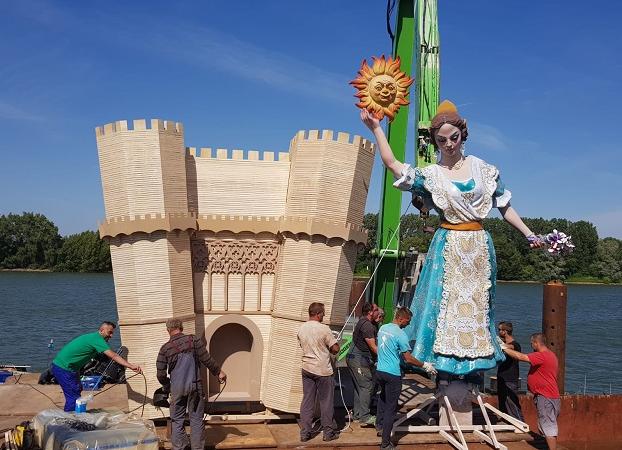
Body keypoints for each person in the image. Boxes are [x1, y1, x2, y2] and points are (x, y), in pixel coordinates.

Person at [361, 101, 543, 376]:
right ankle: (442, 364)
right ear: (434, 141)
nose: (448, 144)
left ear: (463, 135)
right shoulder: (432, 175)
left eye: (453, 138)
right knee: (444, 303)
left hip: (479, 245)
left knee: (478, 303)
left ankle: (472, 363)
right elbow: (393, 164)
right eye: (441, 139)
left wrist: (530, 234)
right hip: (448, 245)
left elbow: (504, 206)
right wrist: (376, 128)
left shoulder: (484, 170)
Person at [156, 318, 227, 450]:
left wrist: (167, 386)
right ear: (181, 328)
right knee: (196, 420)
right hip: (195, 386)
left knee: (177, 420)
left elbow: (160, 374)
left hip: (177, 388)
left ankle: (180, 447)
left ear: (168, 331)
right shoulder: (193, 340)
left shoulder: (165, 349)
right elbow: (206, 359)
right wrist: (219, 372)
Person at [376, 307, 436, 450]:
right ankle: (385, 444)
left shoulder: (383, 328)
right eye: (407, 321)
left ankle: (379, 426)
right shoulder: (401, 335)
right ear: (401, 318)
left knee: (382, 400)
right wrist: (425, 365)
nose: (408, 324)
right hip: (392, 374)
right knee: (391, 408)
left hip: (380, 371)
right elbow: (408, 359)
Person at [51, 321, 142, 412]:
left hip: (71, 368)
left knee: (77, 388)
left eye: (112, 333)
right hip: (63, 368)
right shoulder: (97, 339)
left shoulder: (93, 337)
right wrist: (131, 366)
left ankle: (76, 414)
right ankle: (69, 420)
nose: (111, 336)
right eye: (109, 332)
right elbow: (114, 356)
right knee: (73, 396)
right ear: (101, 330)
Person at [503, 333, 560, 450]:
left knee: (548, 426)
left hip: (545, 397)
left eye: (531, 344)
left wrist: (503, 348)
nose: (531, 346)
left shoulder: (542, 356)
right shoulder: (551, 355)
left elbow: (521, 357)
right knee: (547, 424)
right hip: (551, 396)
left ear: (536, 343)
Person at [297, 302, 340, 442]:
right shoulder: (324, 329)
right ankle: (328, 433)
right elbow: (335, 349)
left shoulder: (301, 328)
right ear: (318, 314)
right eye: (323, 313)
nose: (324, 315)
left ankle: (305, 432)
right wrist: (335, 342)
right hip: (322, 370)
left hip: (307, 368)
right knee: (326, 402)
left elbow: (302, 344)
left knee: (307, 400)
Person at [346, 302, 379, 427]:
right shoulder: (367, 326)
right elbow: (374, 348)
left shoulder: (363, 322)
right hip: (358, 359)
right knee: (366, 386)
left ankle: (358, 415)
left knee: (359, 387)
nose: (378, 312)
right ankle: (365, 417)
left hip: (354, 357)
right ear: (370, 312)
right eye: (376, 310)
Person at [496, 321, 524, 420]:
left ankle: (521, 423)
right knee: (502, 403)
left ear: (505, 331)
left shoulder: (515, 345)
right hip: (502, 377)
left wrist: (497, 342)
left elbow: (509, 347)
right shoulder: (504, 343)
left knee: (512, 404)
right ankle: (505, 421)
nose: (498, 331)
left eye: (500, 330)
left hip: (510, 379)